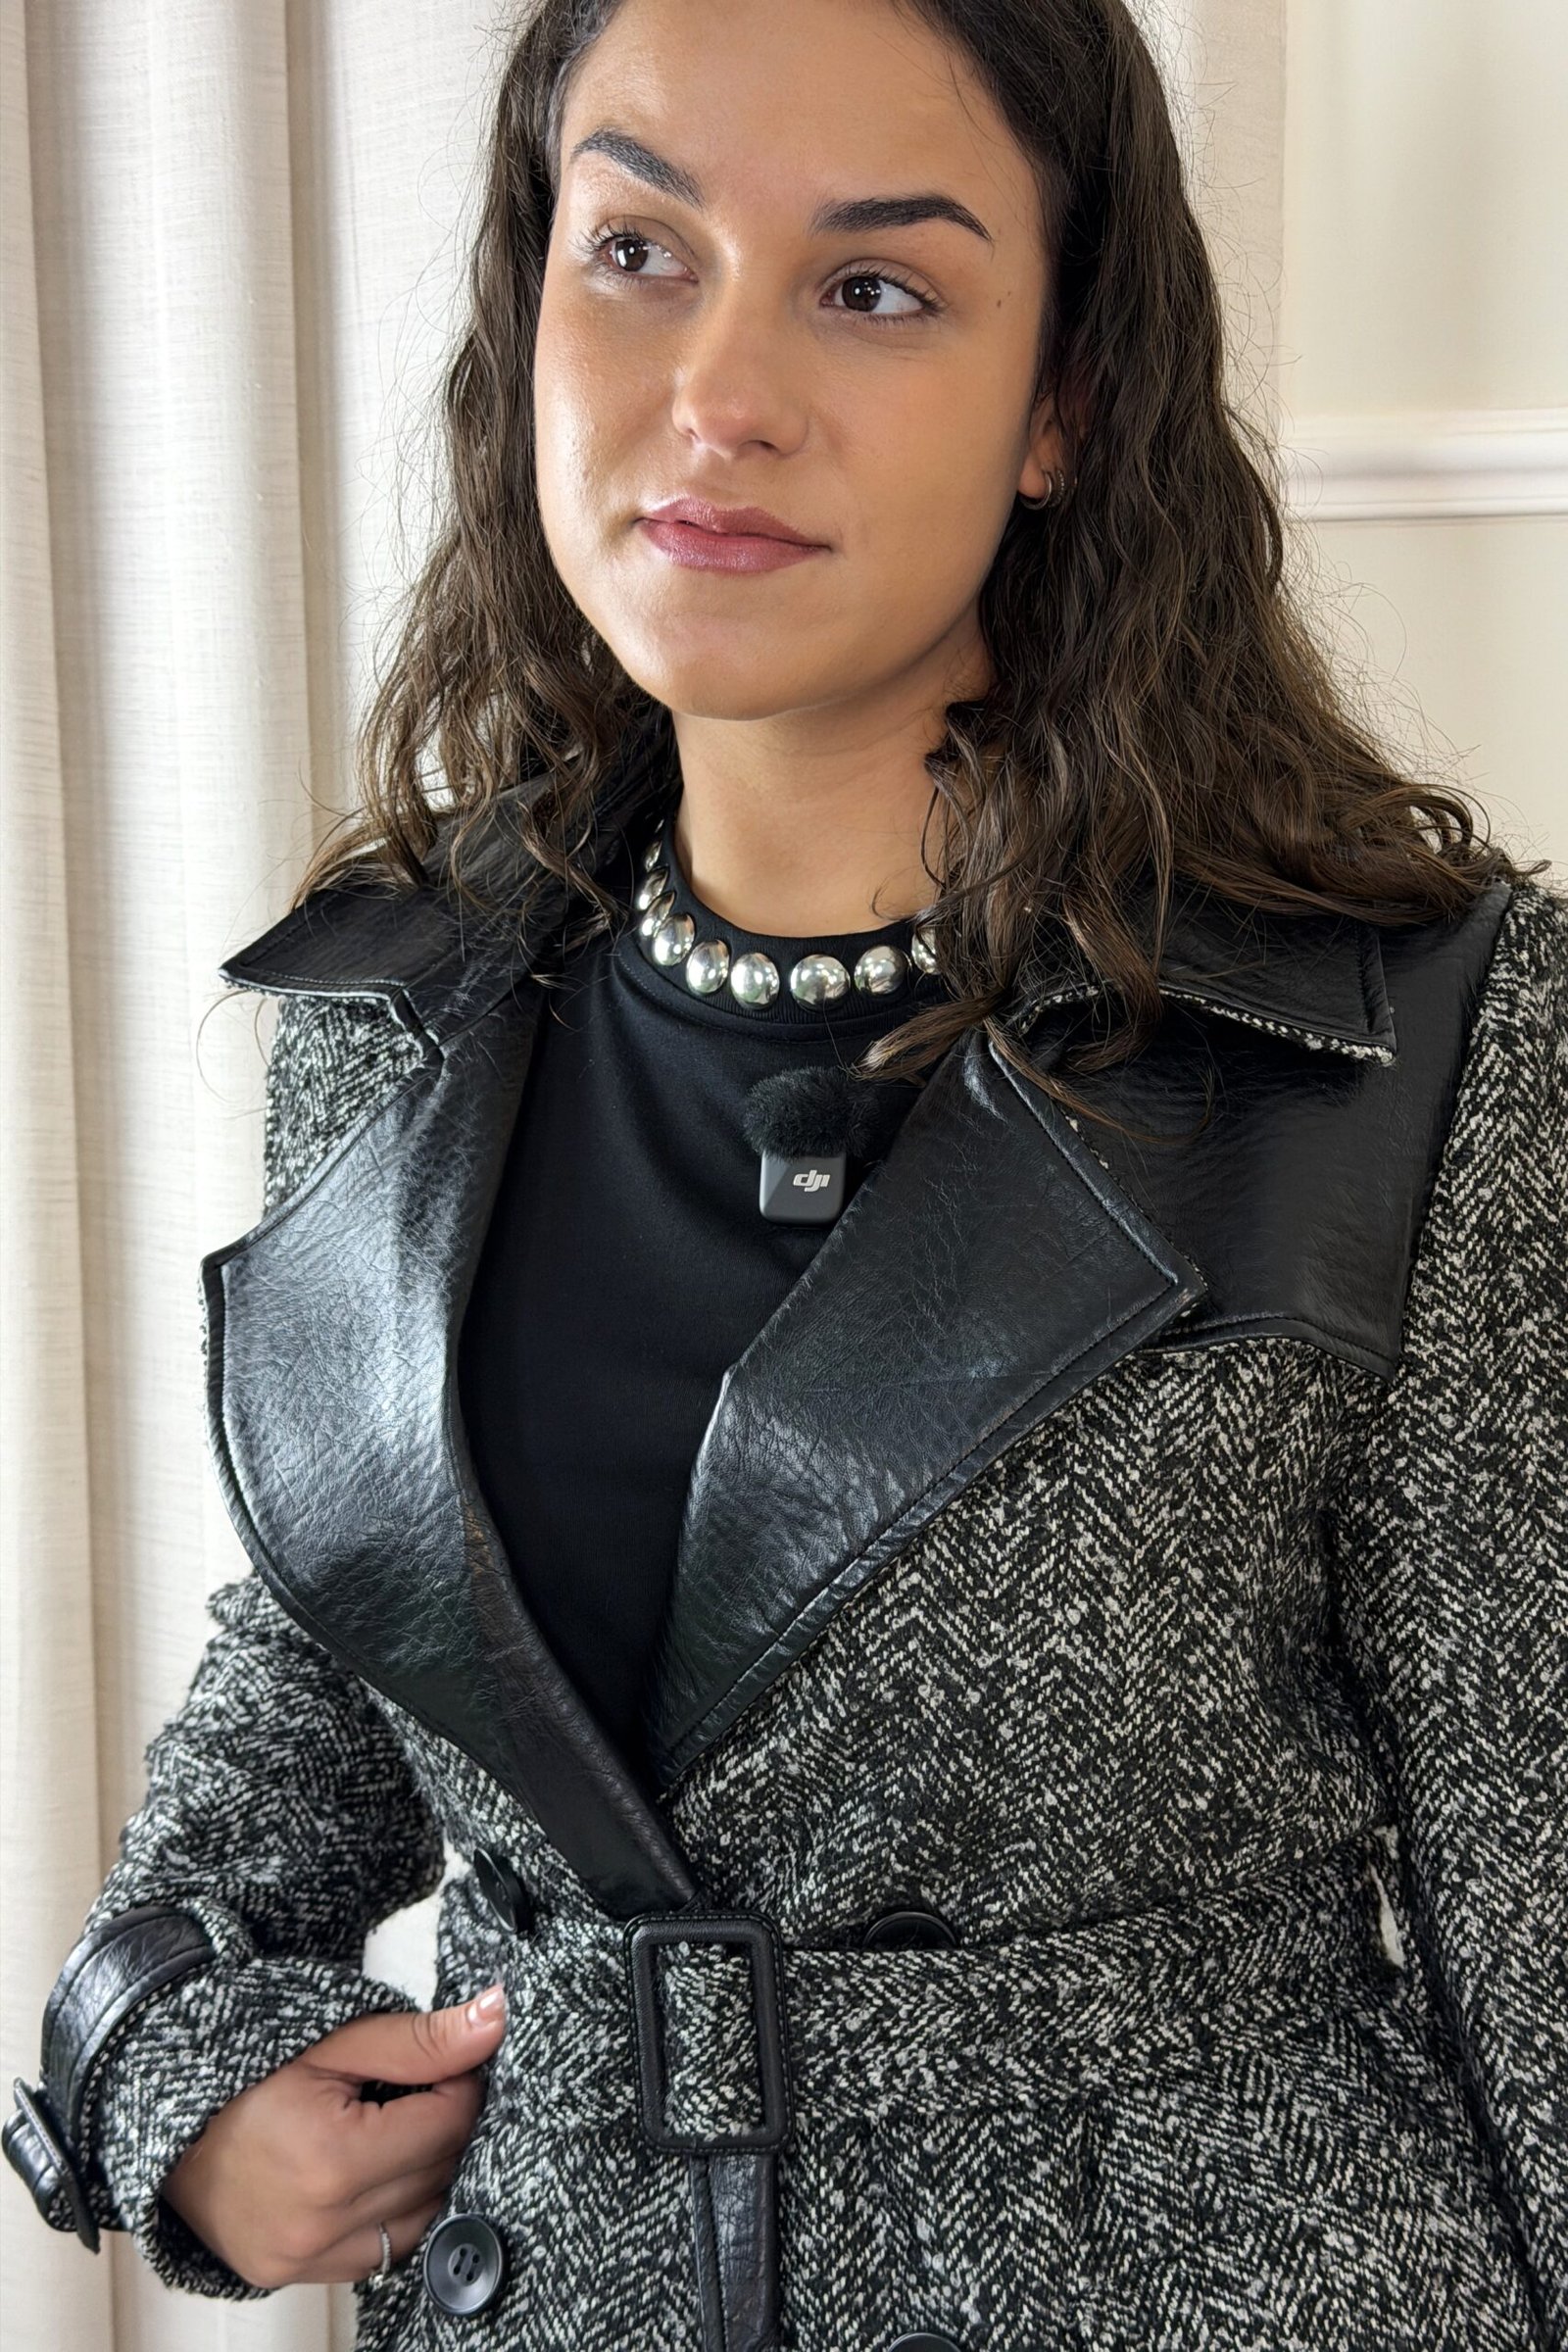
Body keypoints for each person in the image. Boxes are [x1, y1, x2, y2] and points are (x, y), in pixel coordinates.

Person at [6, 0, 1565, 2346]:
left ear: (1062, 401)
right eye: (637, 251)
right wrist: (170, 2071)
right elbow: (336, 1675)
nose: (716, 392)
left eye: (871, 286)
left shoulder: (1407, 1040)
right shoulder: (399, 1003)